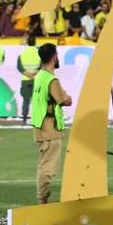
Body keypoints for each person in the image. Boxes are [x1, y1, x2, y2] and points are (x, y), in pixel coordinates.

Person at [29, 43, 71, 204]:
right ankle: (42, 200)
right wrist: (67, 97)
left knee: (44, 164)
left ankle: (42, 198)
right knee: (48, 168)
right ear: (54, 57)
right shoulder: (52, 80)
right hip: (50, 128)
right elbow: (65, 101)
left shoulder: (40, 75)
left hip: (41, 126)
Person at [17, 32, 40, 123]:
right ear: (35, 41)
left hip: (25, 80)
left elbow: (19, 67)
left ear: (27, 42)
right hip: (36, 79)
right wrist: (34, 75)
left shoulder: (22, 53)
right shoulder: (39, 52)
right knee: (37, 100)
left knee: (26, 100)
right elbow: (42, 66)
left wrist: (27, 74)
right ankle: (37, 118)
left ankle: (24, 118)